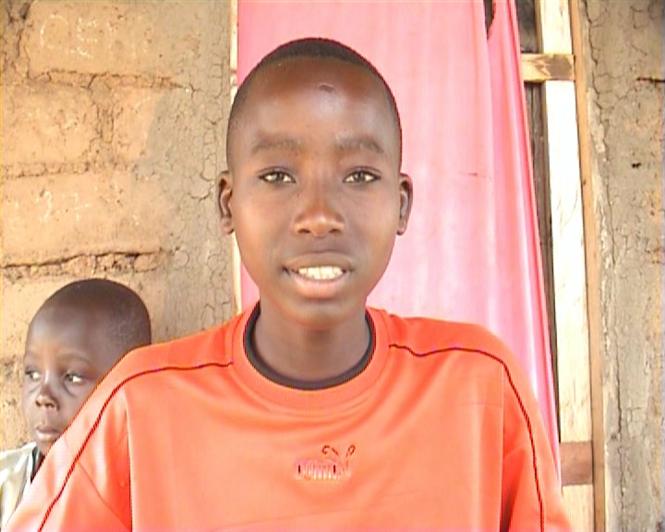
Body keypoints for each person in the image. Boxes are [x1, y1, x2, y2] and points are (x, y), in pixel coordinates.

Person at [8, 38, 570, 530]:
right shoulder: (140, 407)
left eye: (359, 176)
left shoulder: (478, 388)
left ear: (401, 204)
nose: (319, 214)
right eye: (278, 176)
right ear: (229, 203)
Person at [0, 279, 151, 528]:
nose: (43, 396)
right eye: (32, 374)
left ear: (129, 384)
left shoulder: (149, 493)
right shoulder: (7, 485)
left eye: (72, 377)